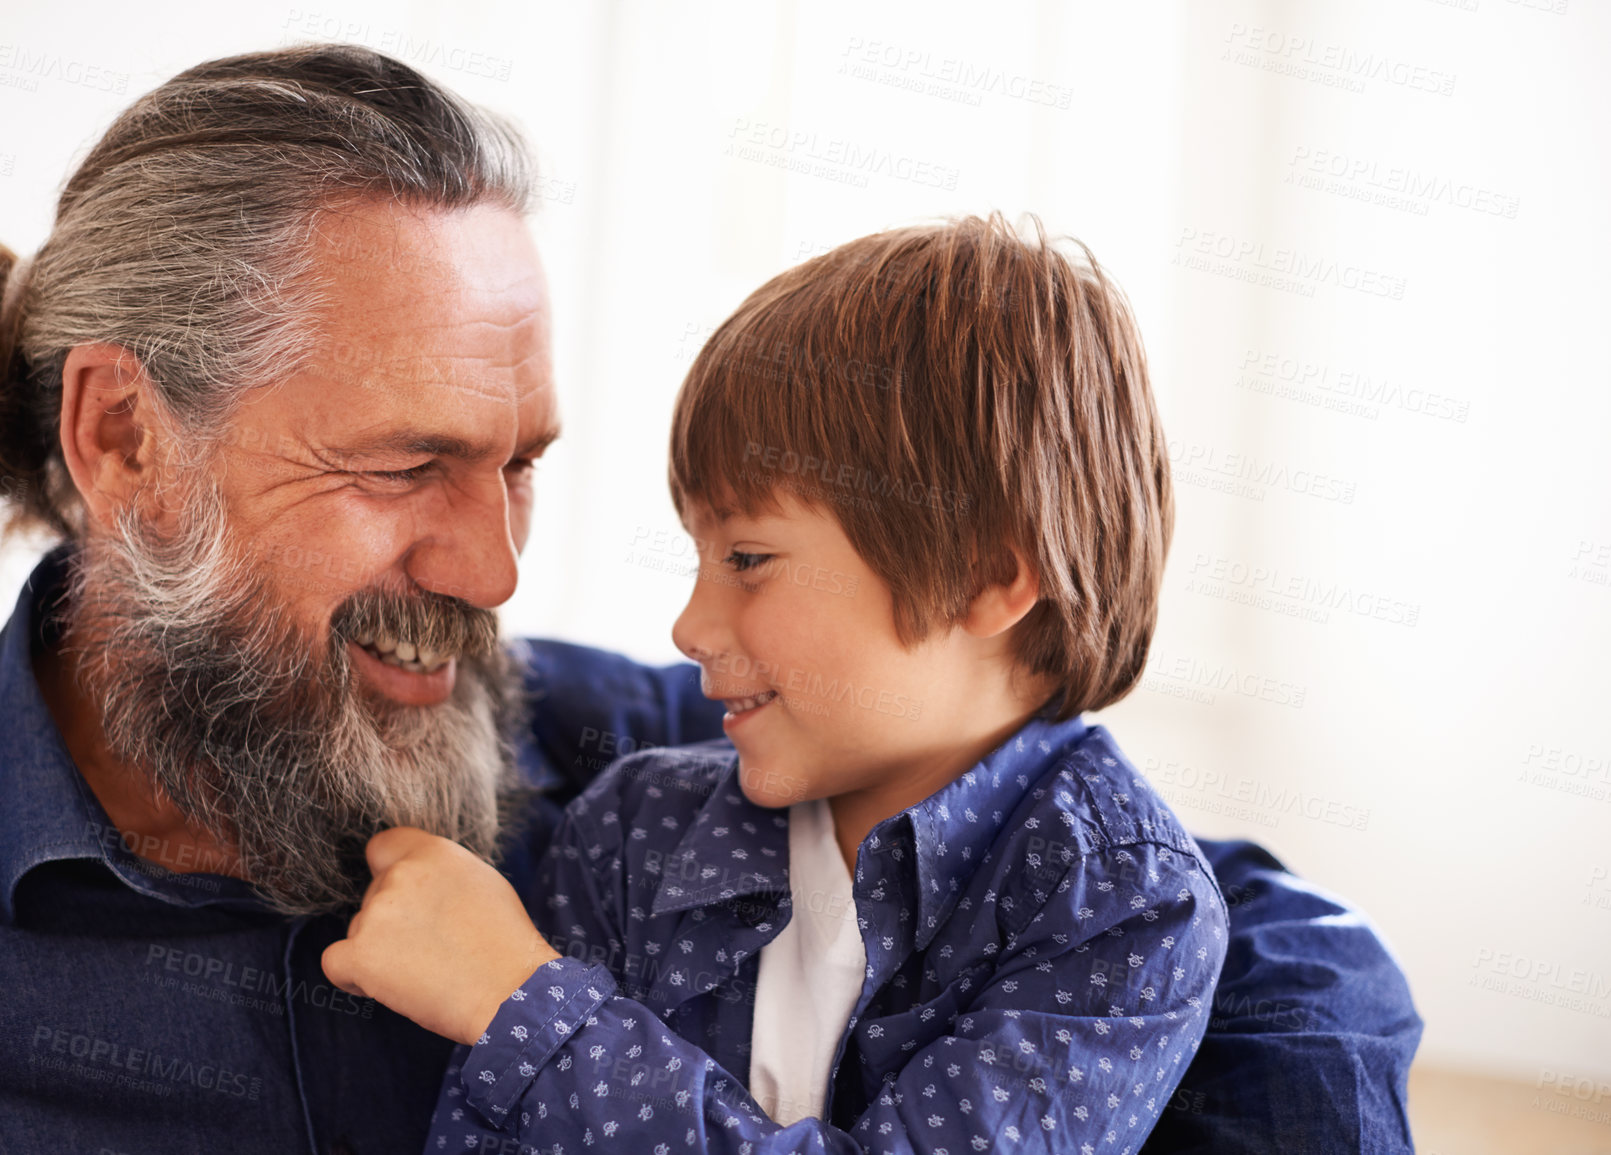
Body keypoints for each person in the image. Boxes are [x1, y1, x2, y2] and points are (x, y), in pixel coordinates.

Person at [0, 43, 1420, 1155]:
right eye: (406, 462)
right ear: (122, 438)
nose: (491, 570)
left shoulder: (632, 761)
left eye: (519, 465)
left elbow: (1276, 937)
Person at [322, 215, 1233, 1153]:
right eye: (699, 557)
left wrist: (529, 1012)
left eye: (748, 558)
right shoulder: (632, 830)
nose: (688, 628)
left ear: (987, 577)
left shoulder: (1120, 901)